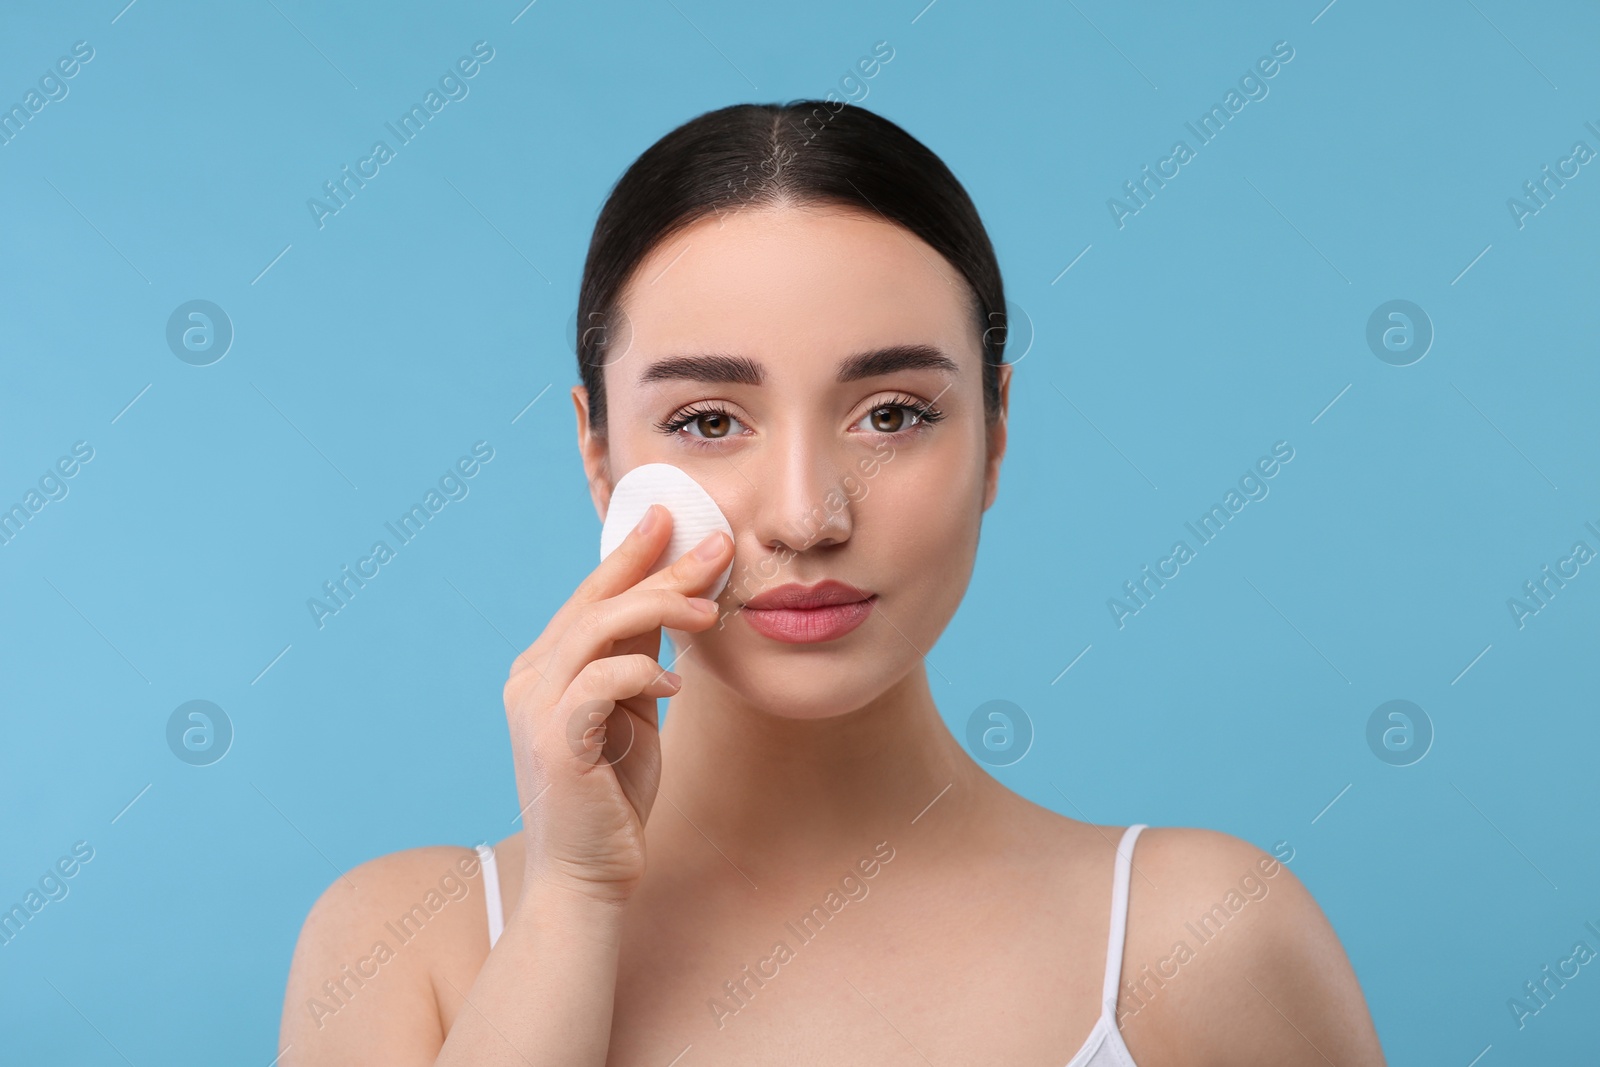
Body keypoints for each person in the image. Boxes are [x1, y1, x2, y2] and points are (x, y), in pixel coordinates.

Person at [279, 100, 1386, 1066]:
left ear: (995, 434)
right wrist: (572, 897)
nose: (808, 516)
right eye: (710, 421)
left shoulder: (1203, 937)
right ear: (599, 454)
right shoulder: (399, 949)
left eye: (892, 413)